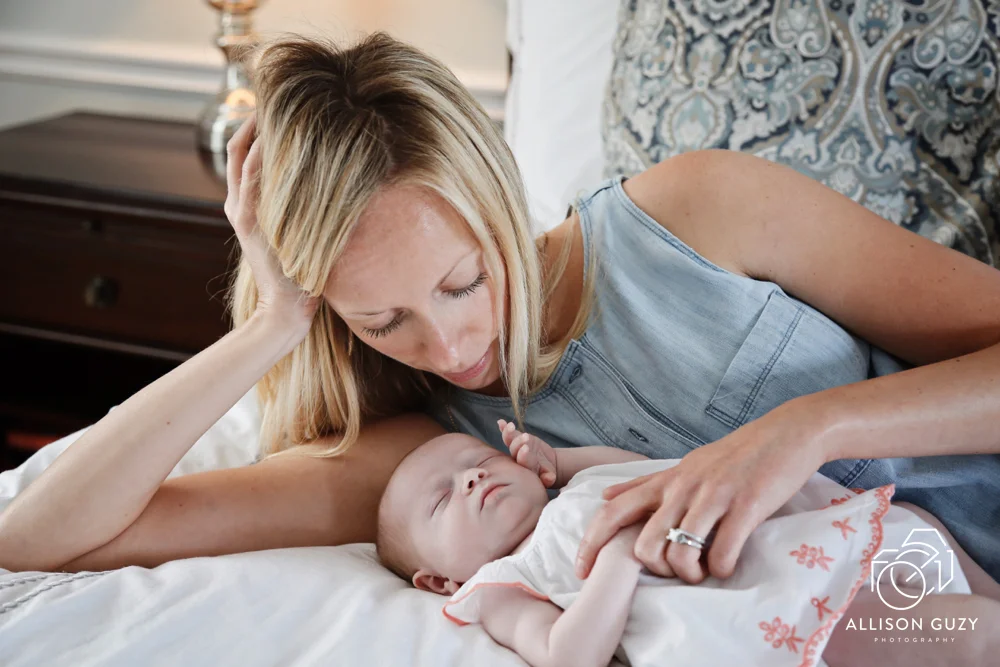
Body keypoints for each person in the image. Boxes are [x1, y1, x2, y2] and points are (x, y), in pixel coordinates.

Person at [0, 30, 998, 591]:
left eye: (461, 282)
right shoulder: (430, 458)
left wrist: (806, 428)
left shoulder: (701, 210)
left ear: (497, 199)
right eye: (383, 320)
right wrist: (273, 320)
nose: (451, 346)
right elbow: (36, 537)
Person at [376, 421, 1000, 667]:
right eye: (442, 499)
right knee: (963, 636)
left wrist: (558, 461)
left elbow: (646, 469)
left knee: (918, 530)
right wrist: (617, 560)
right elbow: (568, 656)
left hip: (792, 549)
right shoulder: (502, 585)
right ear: (439, 581)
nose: (471, 478)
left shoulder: (579, 489)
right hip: (762, 617)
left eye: (480, 460)